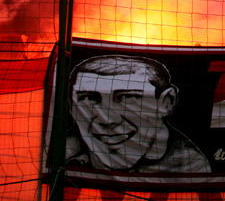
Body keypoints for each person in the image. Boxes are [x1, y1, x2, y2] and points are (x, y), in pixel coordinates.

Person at [67, 55, 211, 173]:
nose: (108, 120)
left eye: (128, 97)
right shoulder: (57, 155)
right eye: (89, 98)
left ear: (166, 103)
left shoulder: (190, 167)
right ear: (71, 106)